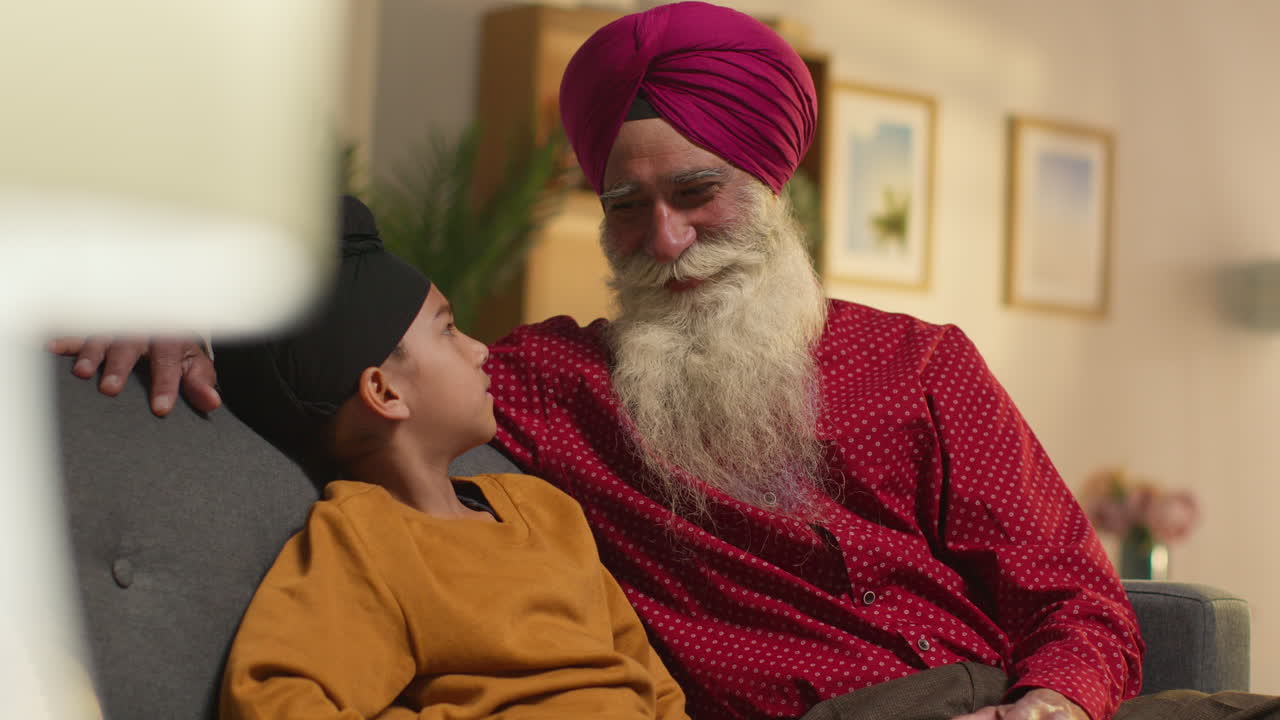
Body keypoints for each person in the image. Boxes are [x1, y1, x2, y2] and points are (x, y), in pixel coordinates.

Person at [59, 4, 1280, 720]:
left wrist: (1049, 708)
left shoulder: (924, 364)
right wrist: (177, 281)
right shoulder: (549, 390)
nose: (664, 240)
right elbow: (356, 349)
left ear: (772, 182)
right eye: (624, 210)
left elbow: (1077, 600)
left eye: (696, 196)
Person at [211, 196, 688, 720]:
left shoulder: (547, 509)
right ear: (385, 392)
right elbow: (273, 697)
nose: (480, 349)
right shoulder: (366, 541)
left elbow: (654, 686)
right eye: (448, 329)